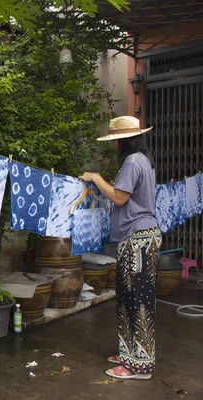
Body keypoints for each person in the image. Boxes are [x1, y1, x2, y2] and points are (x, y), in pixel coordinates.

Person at [79, 116, 161, 380]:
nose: (115, 146)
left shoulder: (133, 160)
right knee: (129, 297)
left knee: (137, 300)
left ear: (124, 141)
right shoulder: (144, 161)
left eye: (116, 141)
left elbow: (119, 197)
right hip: (138, 237)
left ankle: (138, 366)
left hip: (138, 239)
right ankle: (130, 353)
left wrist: (96, 177)